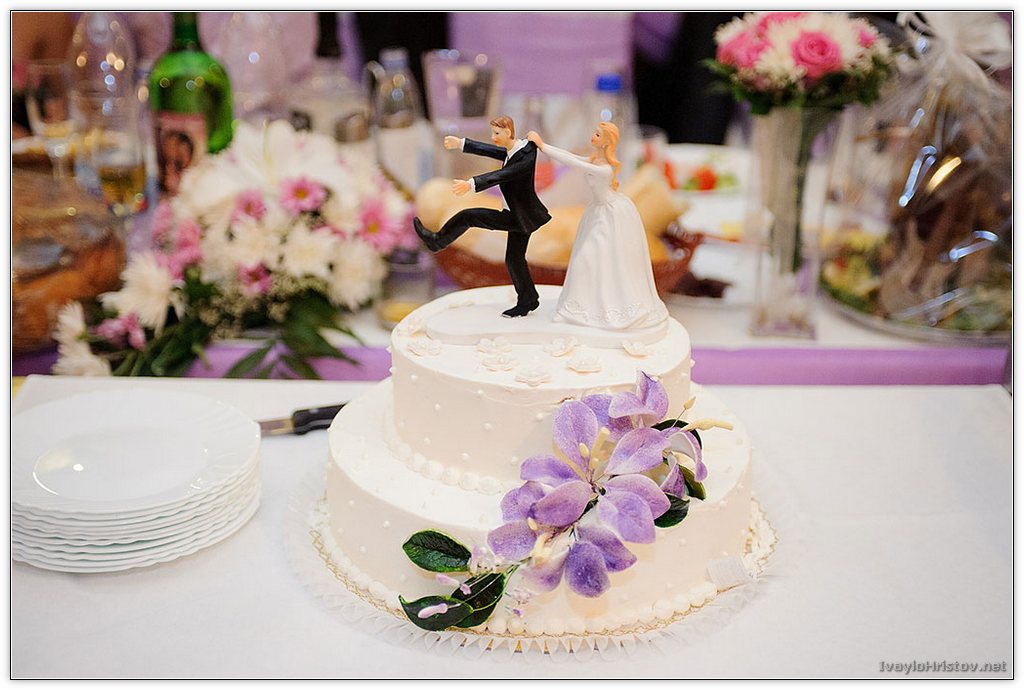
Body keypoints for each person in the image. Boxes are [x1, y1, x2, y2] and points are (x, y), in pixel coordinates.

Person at [527, 121, 668, 330]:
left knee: (590, 259)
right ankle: (582, 310)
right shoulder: (595, 159)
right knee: (592, 261)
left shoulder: (603, 168)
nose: (593, 136)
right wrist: (543, 146)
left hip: (610, 215)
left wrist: (543, 146)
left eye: (598, 135)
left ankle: (601, 311)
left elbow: (573, 163)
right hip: (597, 212)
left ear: (607, 142)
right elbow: (571, 157)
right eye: (595, 132)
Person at [413, 115, 551, 318]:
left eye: (497, 133)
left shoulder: (526, 155)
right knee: (514, 258)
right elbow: (490, 150)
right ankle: (528, 299)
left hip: (521, 217)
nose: (493, 137)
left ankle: (437, 241)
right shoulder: (512, 150)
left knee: (469, 216)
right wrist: (461, 143)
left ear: (508, 132)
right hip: (517, 215)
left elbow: (504, 174)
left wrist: (471, 184)